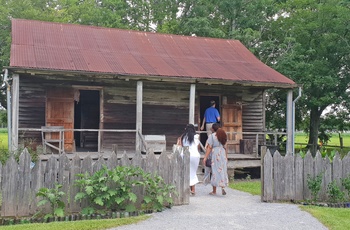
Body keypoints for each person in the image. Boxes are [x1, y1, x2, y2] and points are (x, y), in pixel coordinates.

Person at [203, 127, 228, 195]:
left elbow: (209, 147)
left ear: (214, 129)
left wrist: (205, 157)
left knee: (215, 171)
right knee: (222, 170)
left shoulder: (212, 136)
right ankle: (222, 186)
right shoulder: (224, 135)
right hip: (222, 154)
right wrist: (226, 157)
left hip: (215, 154)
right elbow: (226, 147)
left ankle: (214, 191)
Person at [177, 124, 201, 195]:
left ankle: (186, 189)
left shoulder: (183, 137)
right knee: (193, 172)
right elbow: (198, 147)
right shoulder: (196, 137)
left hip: (185, 154)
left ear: (186, 129)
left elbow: (181, 146)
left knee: (186, 171)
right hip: (195, 156)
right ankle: (193, 189)